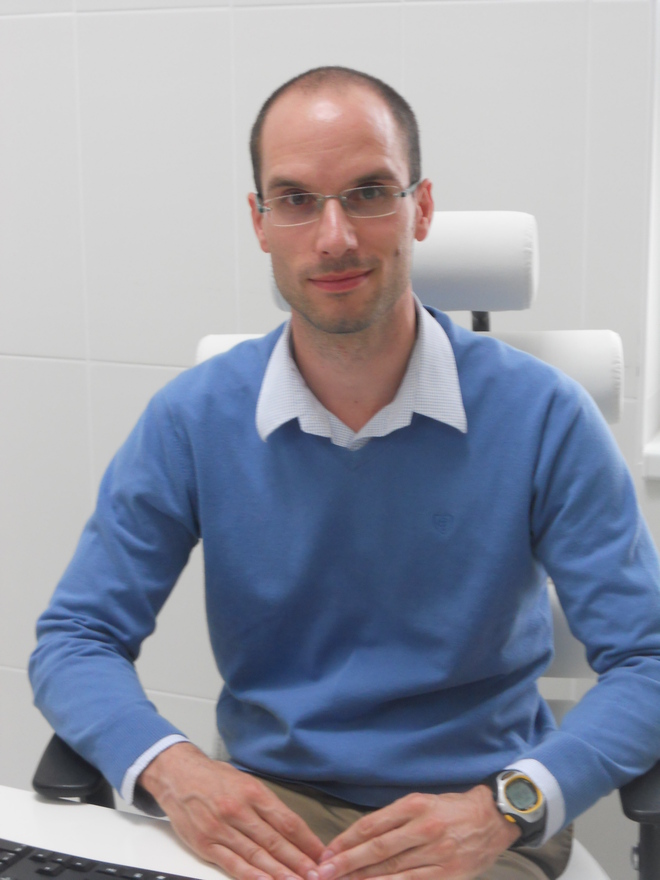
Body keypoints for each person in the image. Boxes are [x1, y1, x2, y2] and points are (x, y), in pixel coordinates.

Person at [29, 66, 660, 880]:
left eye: (368, 193)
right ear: (259, 222)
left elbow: (648, 660)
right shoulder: (192, 418)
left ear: (420, 208)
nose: (334, 237)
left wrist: (508, 807)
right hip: (270, 809)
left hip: (474, 814)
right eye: (295, 199)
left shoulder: (545, 416)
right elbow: (75, 639)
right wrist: (175, 771)